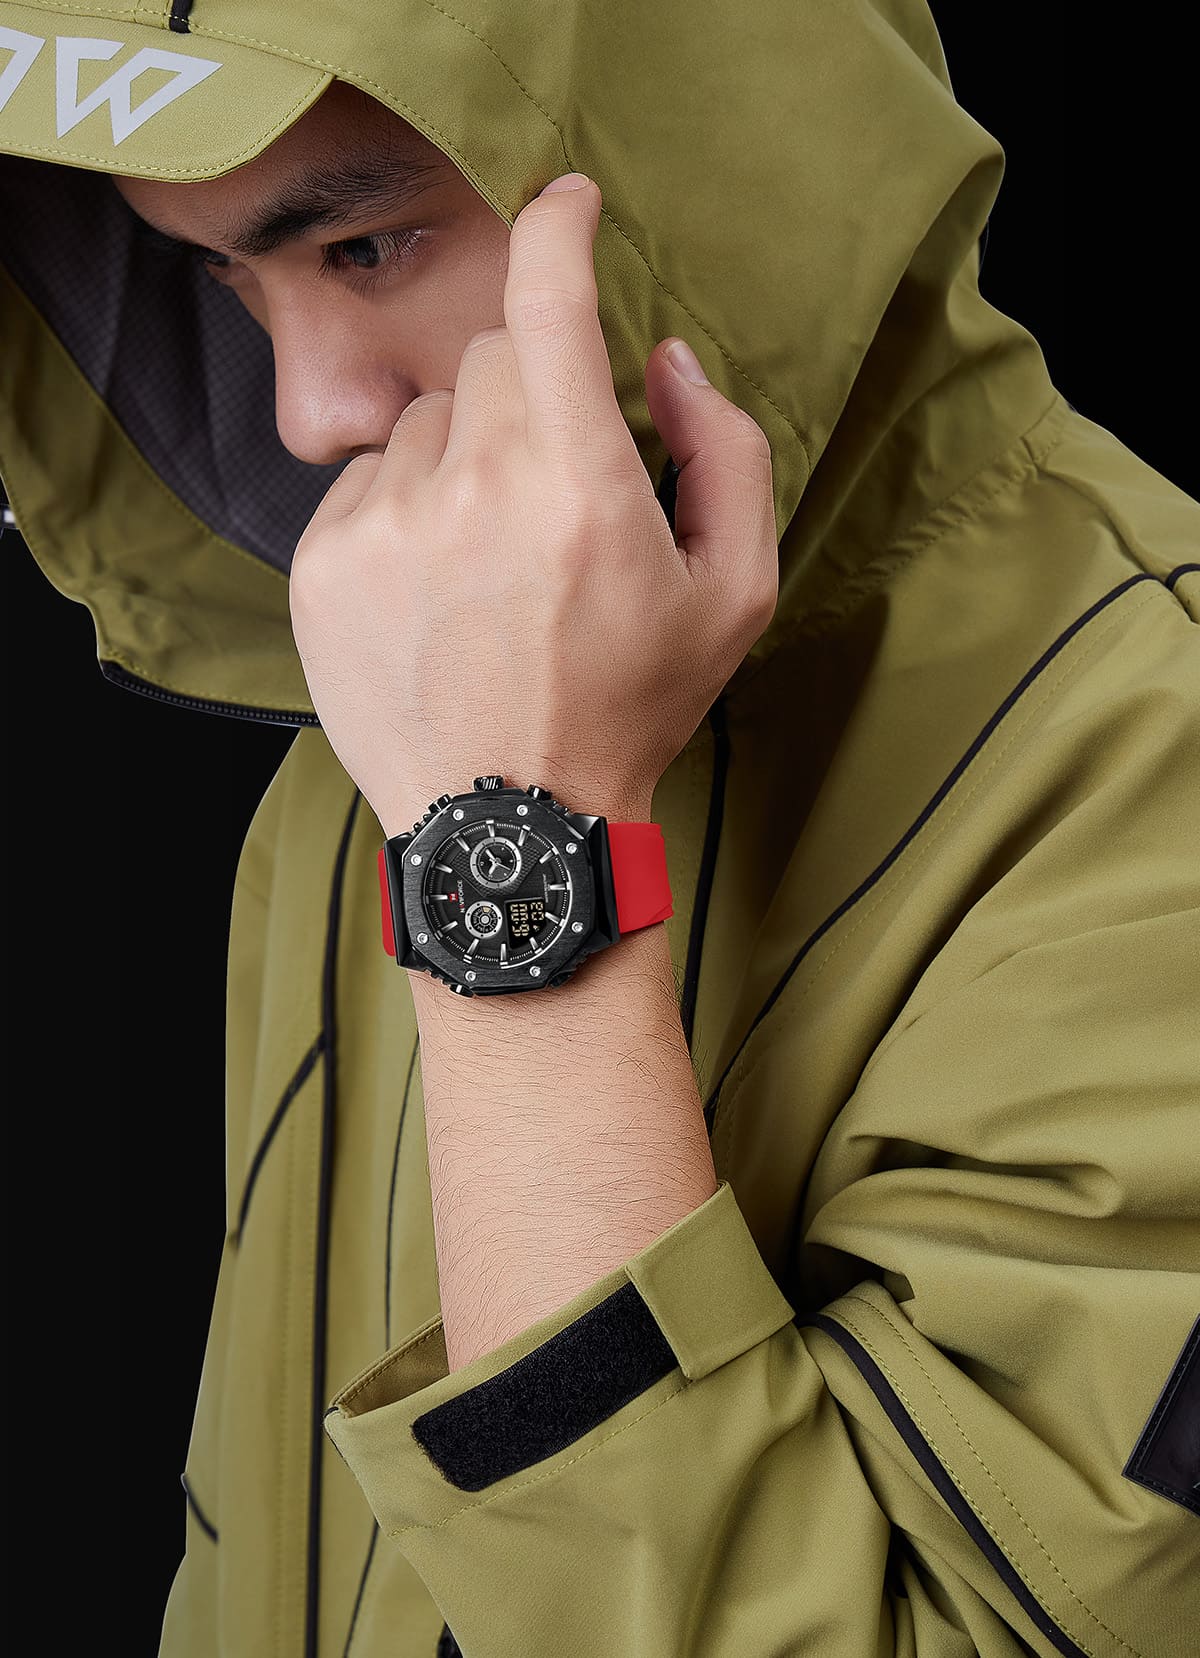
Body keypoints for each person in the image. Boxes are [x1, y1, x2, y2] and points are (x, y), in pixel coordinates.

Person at [1, 3, 1196, 1656]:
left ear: (710, 176)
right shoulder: (365, 770)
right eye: (222, 280)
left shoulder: (1156, 778)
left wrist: (518, 862)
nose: (308, 413)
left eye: (363, 245)